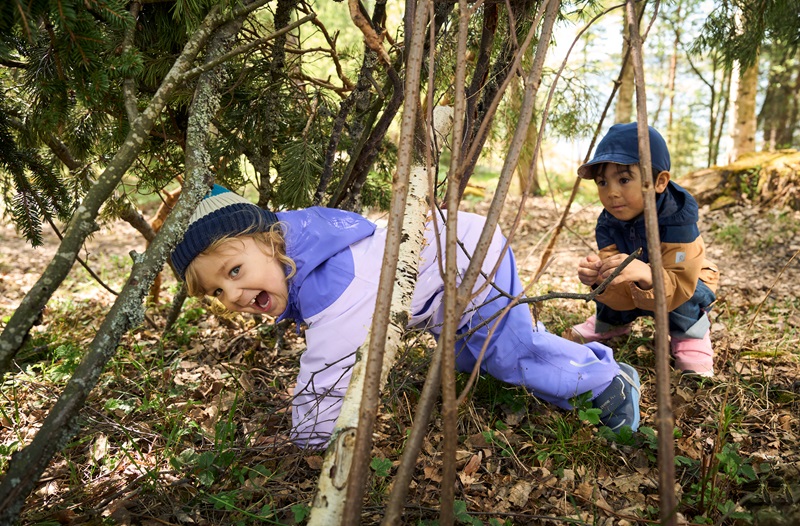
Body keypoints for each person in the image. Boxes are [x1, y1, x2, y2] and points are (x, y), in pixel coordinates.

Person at [171, 185, 642, 448]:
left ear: (271, 242)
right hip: (441, 282)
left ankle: (606, 384)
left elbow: (329, 368)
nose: (231, 293)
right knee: (466, 356)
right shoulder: (301, 245)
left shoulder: (333, 284)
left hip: (472, 262)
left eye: (234, 271)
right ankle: (582, 373)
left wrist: (309, 435)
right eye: (216, 289)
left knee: (506, 353)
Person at [565, 122, 719, 377]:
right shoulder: (608, 221)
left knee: (686, 294)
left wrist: (647, 273)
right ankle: (611, 323)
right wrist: (597, 277)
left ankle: (690, 336)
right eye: (602, 182)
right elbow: (613, 270)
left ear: (659, 182)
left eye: (624, 179)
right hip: (637, 289)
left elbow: (681, 282)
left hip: (683, 285)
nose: (611, 193)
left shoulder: (677, 220)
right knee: (612, 274)